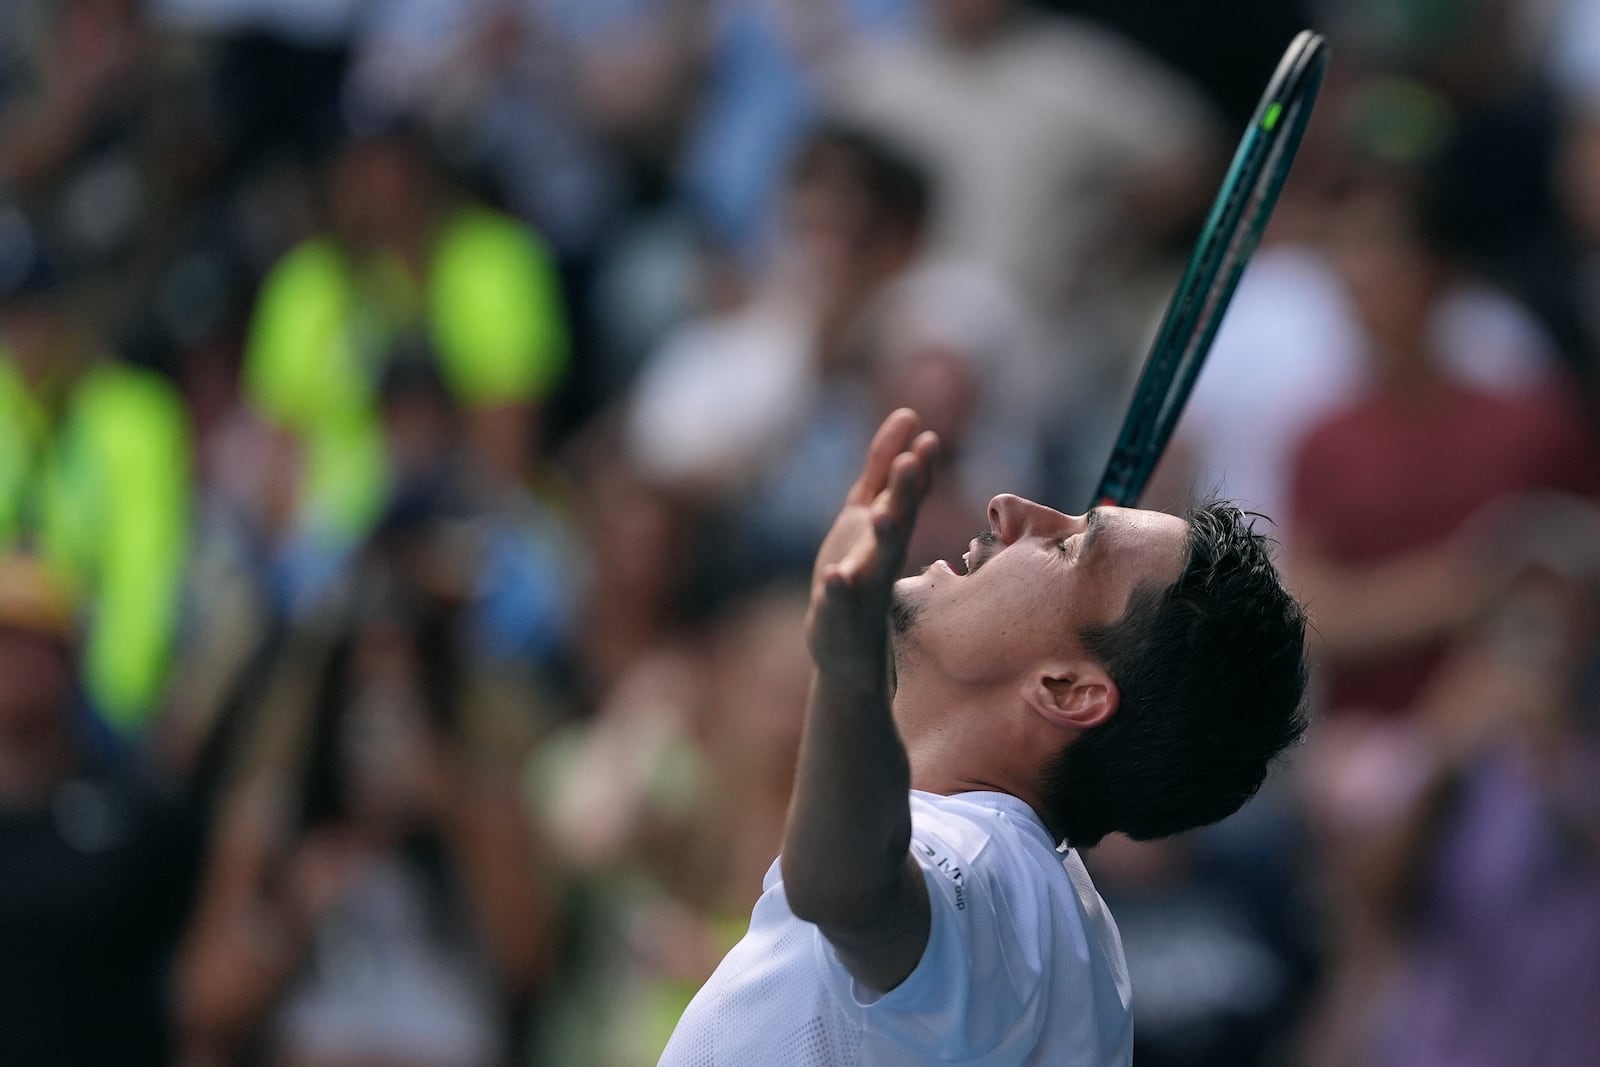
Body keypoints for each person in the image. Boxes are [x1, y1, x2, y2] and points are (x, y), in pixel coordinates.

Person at [659, 408, 1310, 1065]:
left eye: (1067, 546)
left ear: (1068, 689)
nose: (1008, 508)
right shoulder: (1056, 912)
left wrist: (846, 654)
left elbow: (845, 890)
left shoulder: (988, 866)